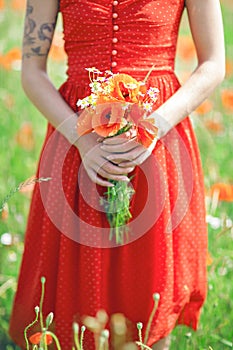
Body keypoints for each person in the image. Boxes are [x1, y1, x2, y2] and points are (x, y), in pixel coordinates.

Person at [9, 0, 225, 349]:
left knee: (150, 282)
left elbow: (213, 64)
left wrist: (152, 127)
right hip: (76, 138)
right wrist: (82, 140)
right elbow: (32, 72)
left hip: (158, 139)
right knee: (74, 287)